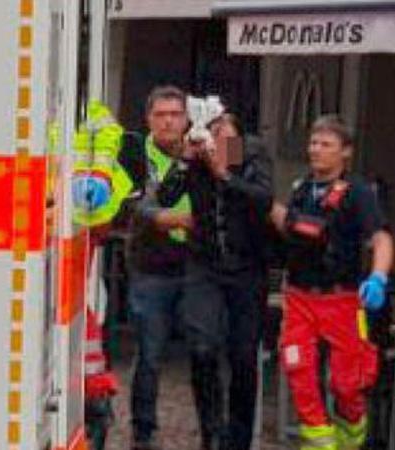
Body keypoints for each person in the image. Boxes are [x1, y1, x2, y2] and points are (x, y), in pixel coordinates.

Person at [270, 115, 395, 450]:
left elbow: (381, 238)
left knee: (347, 383)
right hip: (299, 298)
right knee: (298, 369)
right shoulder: (300, 190)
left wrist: (378, 277)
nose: (316, 150)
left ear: (346, 153)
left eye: (326, 144)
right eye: (313, 143)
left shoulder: (358, 193)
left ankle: (352, 432)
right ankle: (319, 441)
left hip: (342, 300)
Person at [156, 110, 273, 450]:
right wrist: (184, 161)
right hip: (204, 265)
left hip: (247, 268)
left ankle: (237, 440)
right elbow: (164, 197)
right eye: (211, 130)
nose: (216, 138)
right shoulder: (194, 157)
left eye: (224, 131)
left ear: (237, 134)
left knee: (243, 356)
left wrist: (223, 172)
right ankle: (212, 432)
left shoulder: (249, 152)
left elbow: (263, 200)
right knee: (202, 347)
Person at [122, 85, 194, 450]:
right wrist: (181, 219)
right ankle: (143, 432)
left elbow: (240, 186)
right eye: (160, 114)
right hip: (151, 266)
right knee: (149, 354)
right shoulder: (133, 150)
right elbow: (139, 209)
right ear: (148, 118)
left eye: (175, 114)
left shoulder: (210, 142)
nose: (168, 121)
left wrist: (223, 139)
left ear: (187, 118)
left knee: (209, 350)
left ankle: (215, 431)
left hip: (202, 266)